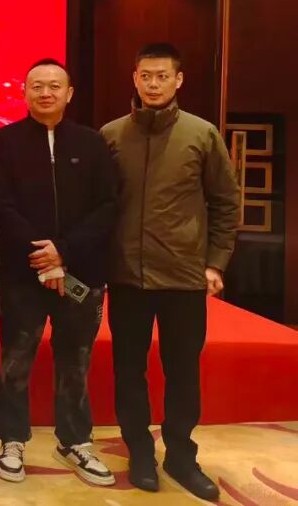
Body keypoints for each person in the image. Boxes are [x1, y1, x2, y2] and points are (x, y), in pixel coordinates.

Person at [101, 43, 239, 501]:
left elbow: (225, 201)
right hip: (126, 276)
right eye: (146, 76)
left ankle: (181, 454)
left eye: (162, 76)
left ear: (178, 80)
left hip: (183, 275)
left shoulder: (201, 134)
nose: (153, 84)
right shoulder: (112, 135)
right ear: (134, 79)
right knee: (129, 370)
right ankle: (139, 451)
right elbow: (98, 206)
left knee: (182, 371)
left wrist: (215, 262)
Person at [0, 59, 118, 489]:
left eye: (54, 86)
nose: (46, 93)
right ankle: (12, 439)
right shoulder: (4, 141)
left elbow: (108, 205)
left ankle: (75, 441)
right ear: (24, 92)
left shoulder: (92, 143)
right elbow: (0, 206)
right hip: (22, 274)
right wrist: (43, 256)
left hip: (81, 274)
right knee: (15, 360)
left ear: (69, 93)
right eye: (37, 86)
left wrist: (64, 252)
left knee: (75, 361)